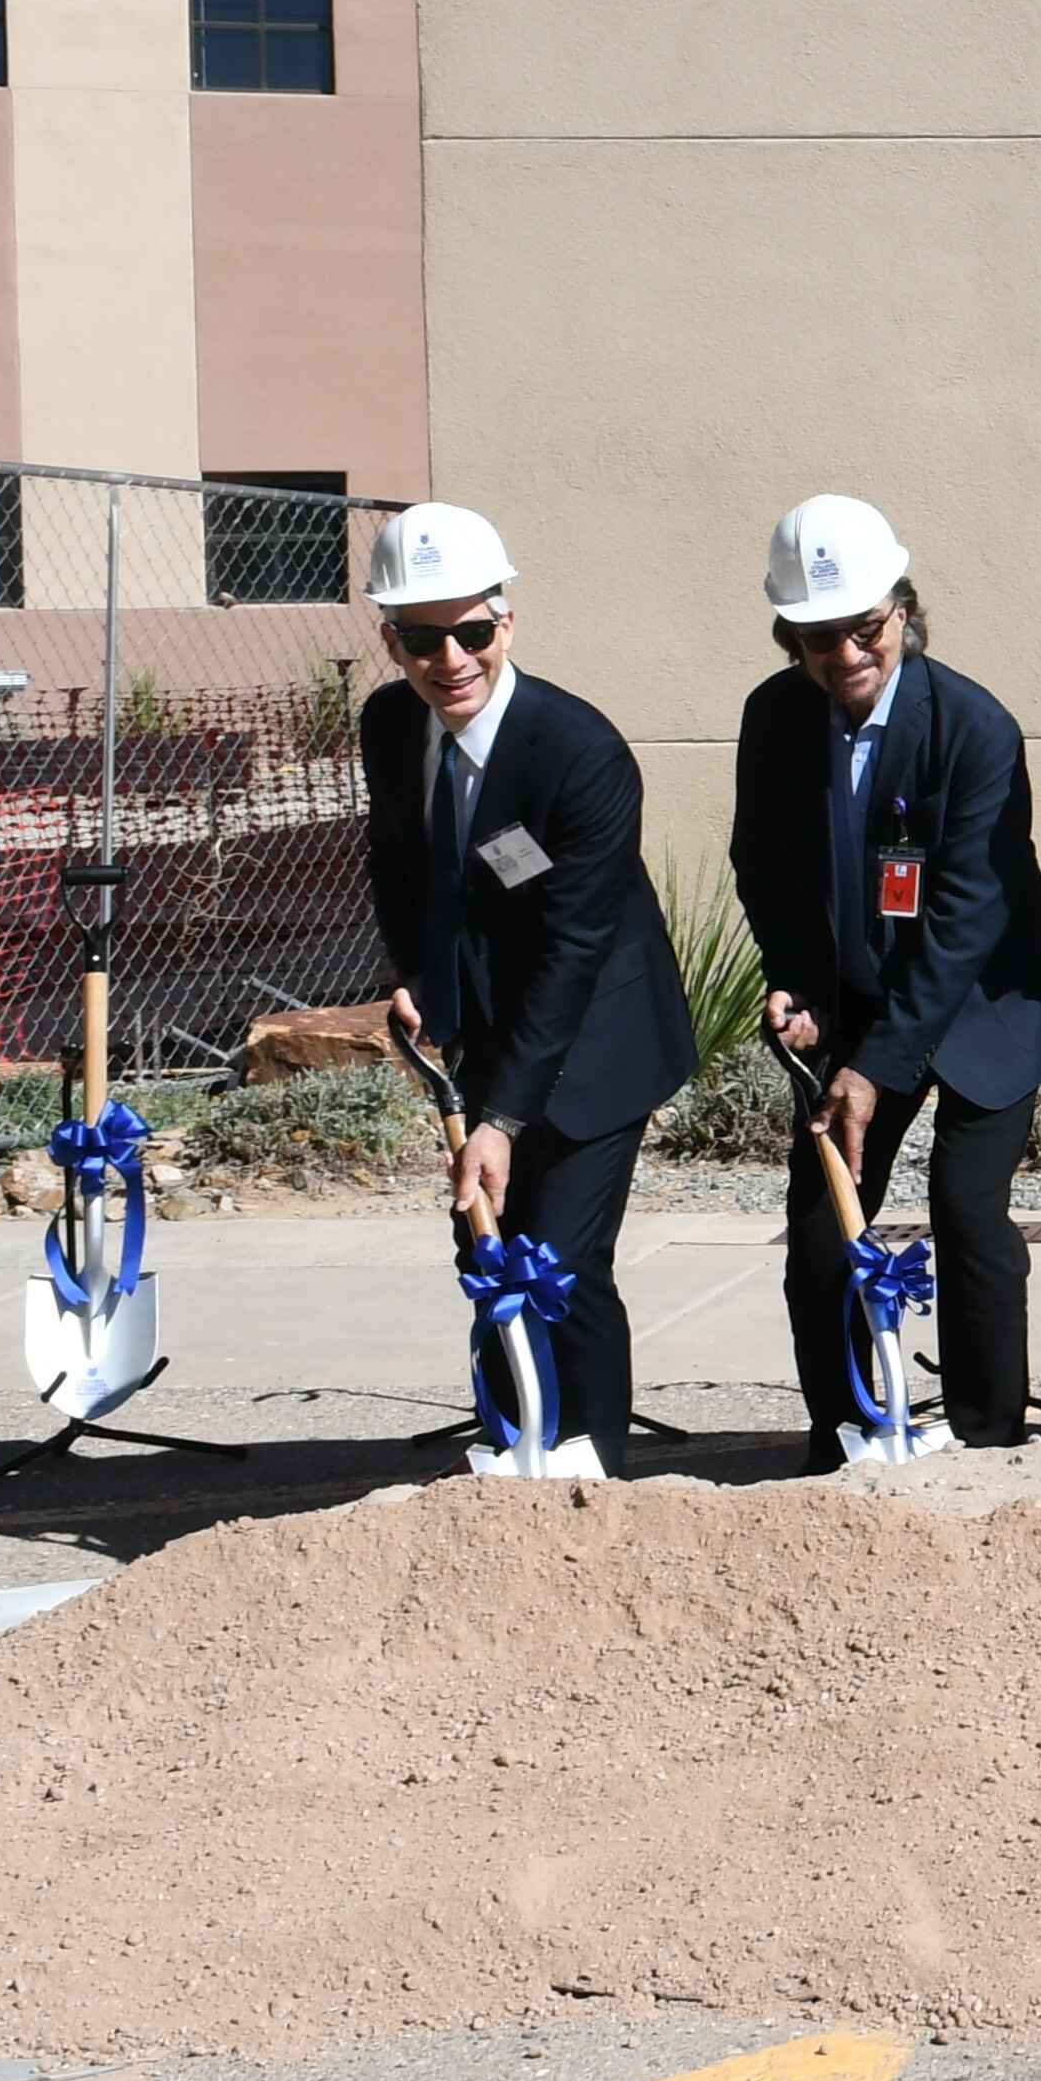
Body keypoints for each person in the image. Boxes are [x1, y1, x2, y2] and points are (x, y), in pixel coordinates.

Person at [728, 497, 1041, 1451]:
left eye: (864, 629)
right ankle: (844, 1433)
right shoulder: (775, 717)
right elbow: (761, 865)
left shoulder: (974, 729)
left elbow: (966, 918)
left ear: (903, 612)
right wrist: (794, 983)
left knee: (967, 1212)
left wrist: (876, 1065)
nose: (844, 655)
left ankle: (987, 1439)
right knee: (818, 1228)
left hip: (988, 1006)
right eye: (815, 637)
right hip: (857, 1001)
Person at [355, 502, 689, 1481]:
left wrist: (501, 1114)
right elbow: (396, 861)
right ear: (393, 641)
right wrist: (413, 969)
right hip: (489, 1027)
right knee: (488, 1247)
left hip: (597, 1034)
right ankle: (513, 1449)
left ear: (507, 622)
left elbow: (573, 947)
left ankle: (595, 1467)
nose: (449, 658)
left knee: (564, 1260)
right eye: (422, 638)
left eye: (471, 631)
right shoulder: (388, 725)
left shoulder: (579, 753)